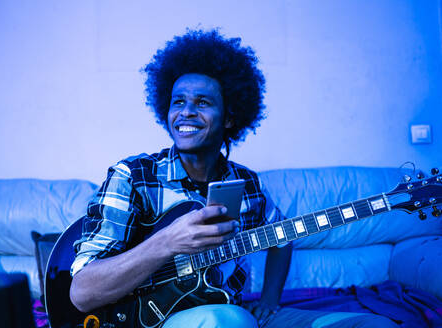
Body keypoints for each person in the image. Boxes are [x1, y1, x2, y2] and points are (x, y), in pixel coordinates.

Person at [69, 29, 398, 328]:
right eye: (178, 101)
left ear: (229, 118)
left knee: (372, 325)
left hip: (232, 310)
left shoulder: (247, 185)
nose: (186, 112)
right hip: (148, 321)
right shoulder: (134, 177)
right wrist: (168, 241)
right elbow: (82, 292)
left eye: (203, 102)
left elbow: (282, 238)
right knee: (227, 321)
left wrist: (269, 301)